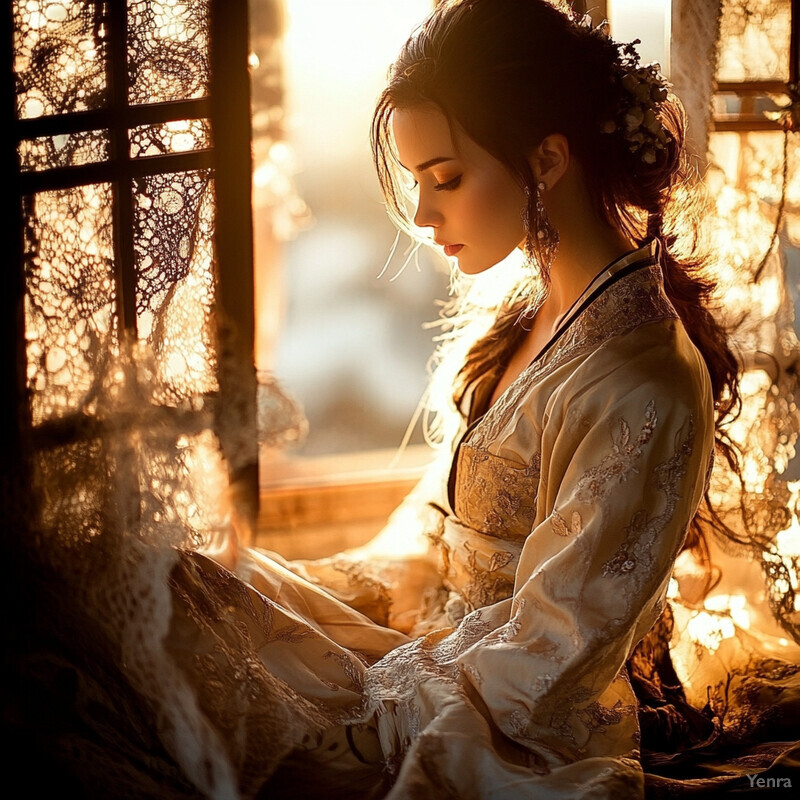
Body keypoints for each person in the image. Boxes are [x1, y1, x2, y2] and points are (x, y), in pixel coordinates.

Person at [19, 1, 795, 798]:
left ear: (549, 158)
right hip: (433, 639)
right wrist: (329, 598)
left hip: (507, 708)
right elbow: (441, 528)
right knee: (154, 588)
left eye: (446, 179)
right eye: (418, 182)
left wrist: (370, 706)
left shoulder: (645, 380)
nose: (424, 216)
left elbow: (553, 650)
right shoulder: (537, 310)